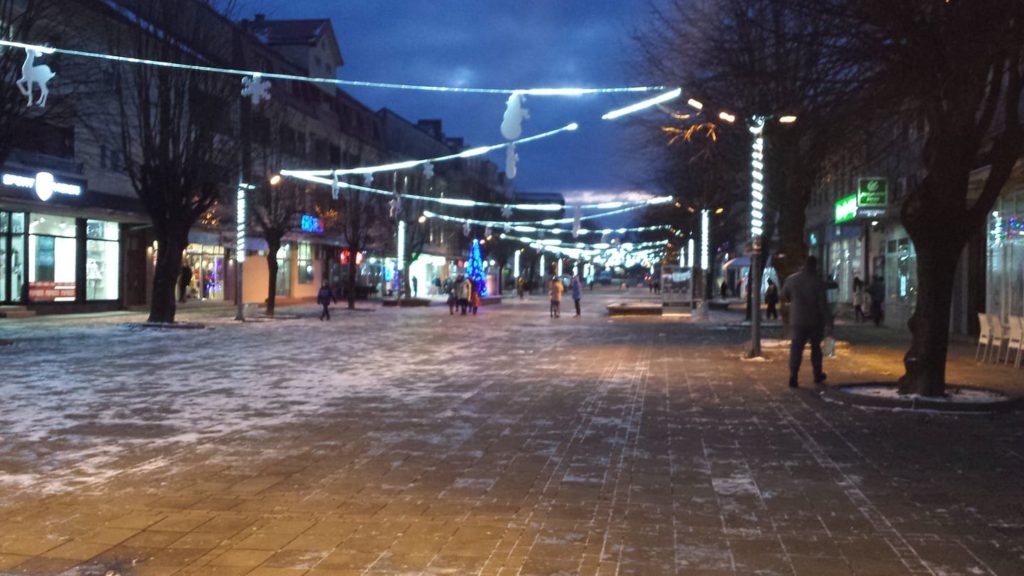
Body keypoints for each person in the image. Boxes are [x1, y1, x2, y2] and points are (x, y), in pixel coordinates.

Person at [782, 255, 831, 388]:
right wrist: (829, 321)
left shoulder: (792, 279)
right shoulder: (818, 282)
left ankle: (793, 374)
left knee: (796, 348)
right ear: (815, 266)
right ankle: (817, 374)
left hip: (797, 319)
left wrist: (793, 301)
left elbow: (784, 295)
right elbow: (823, 304)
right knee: (816, 348)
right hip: (815, 320)